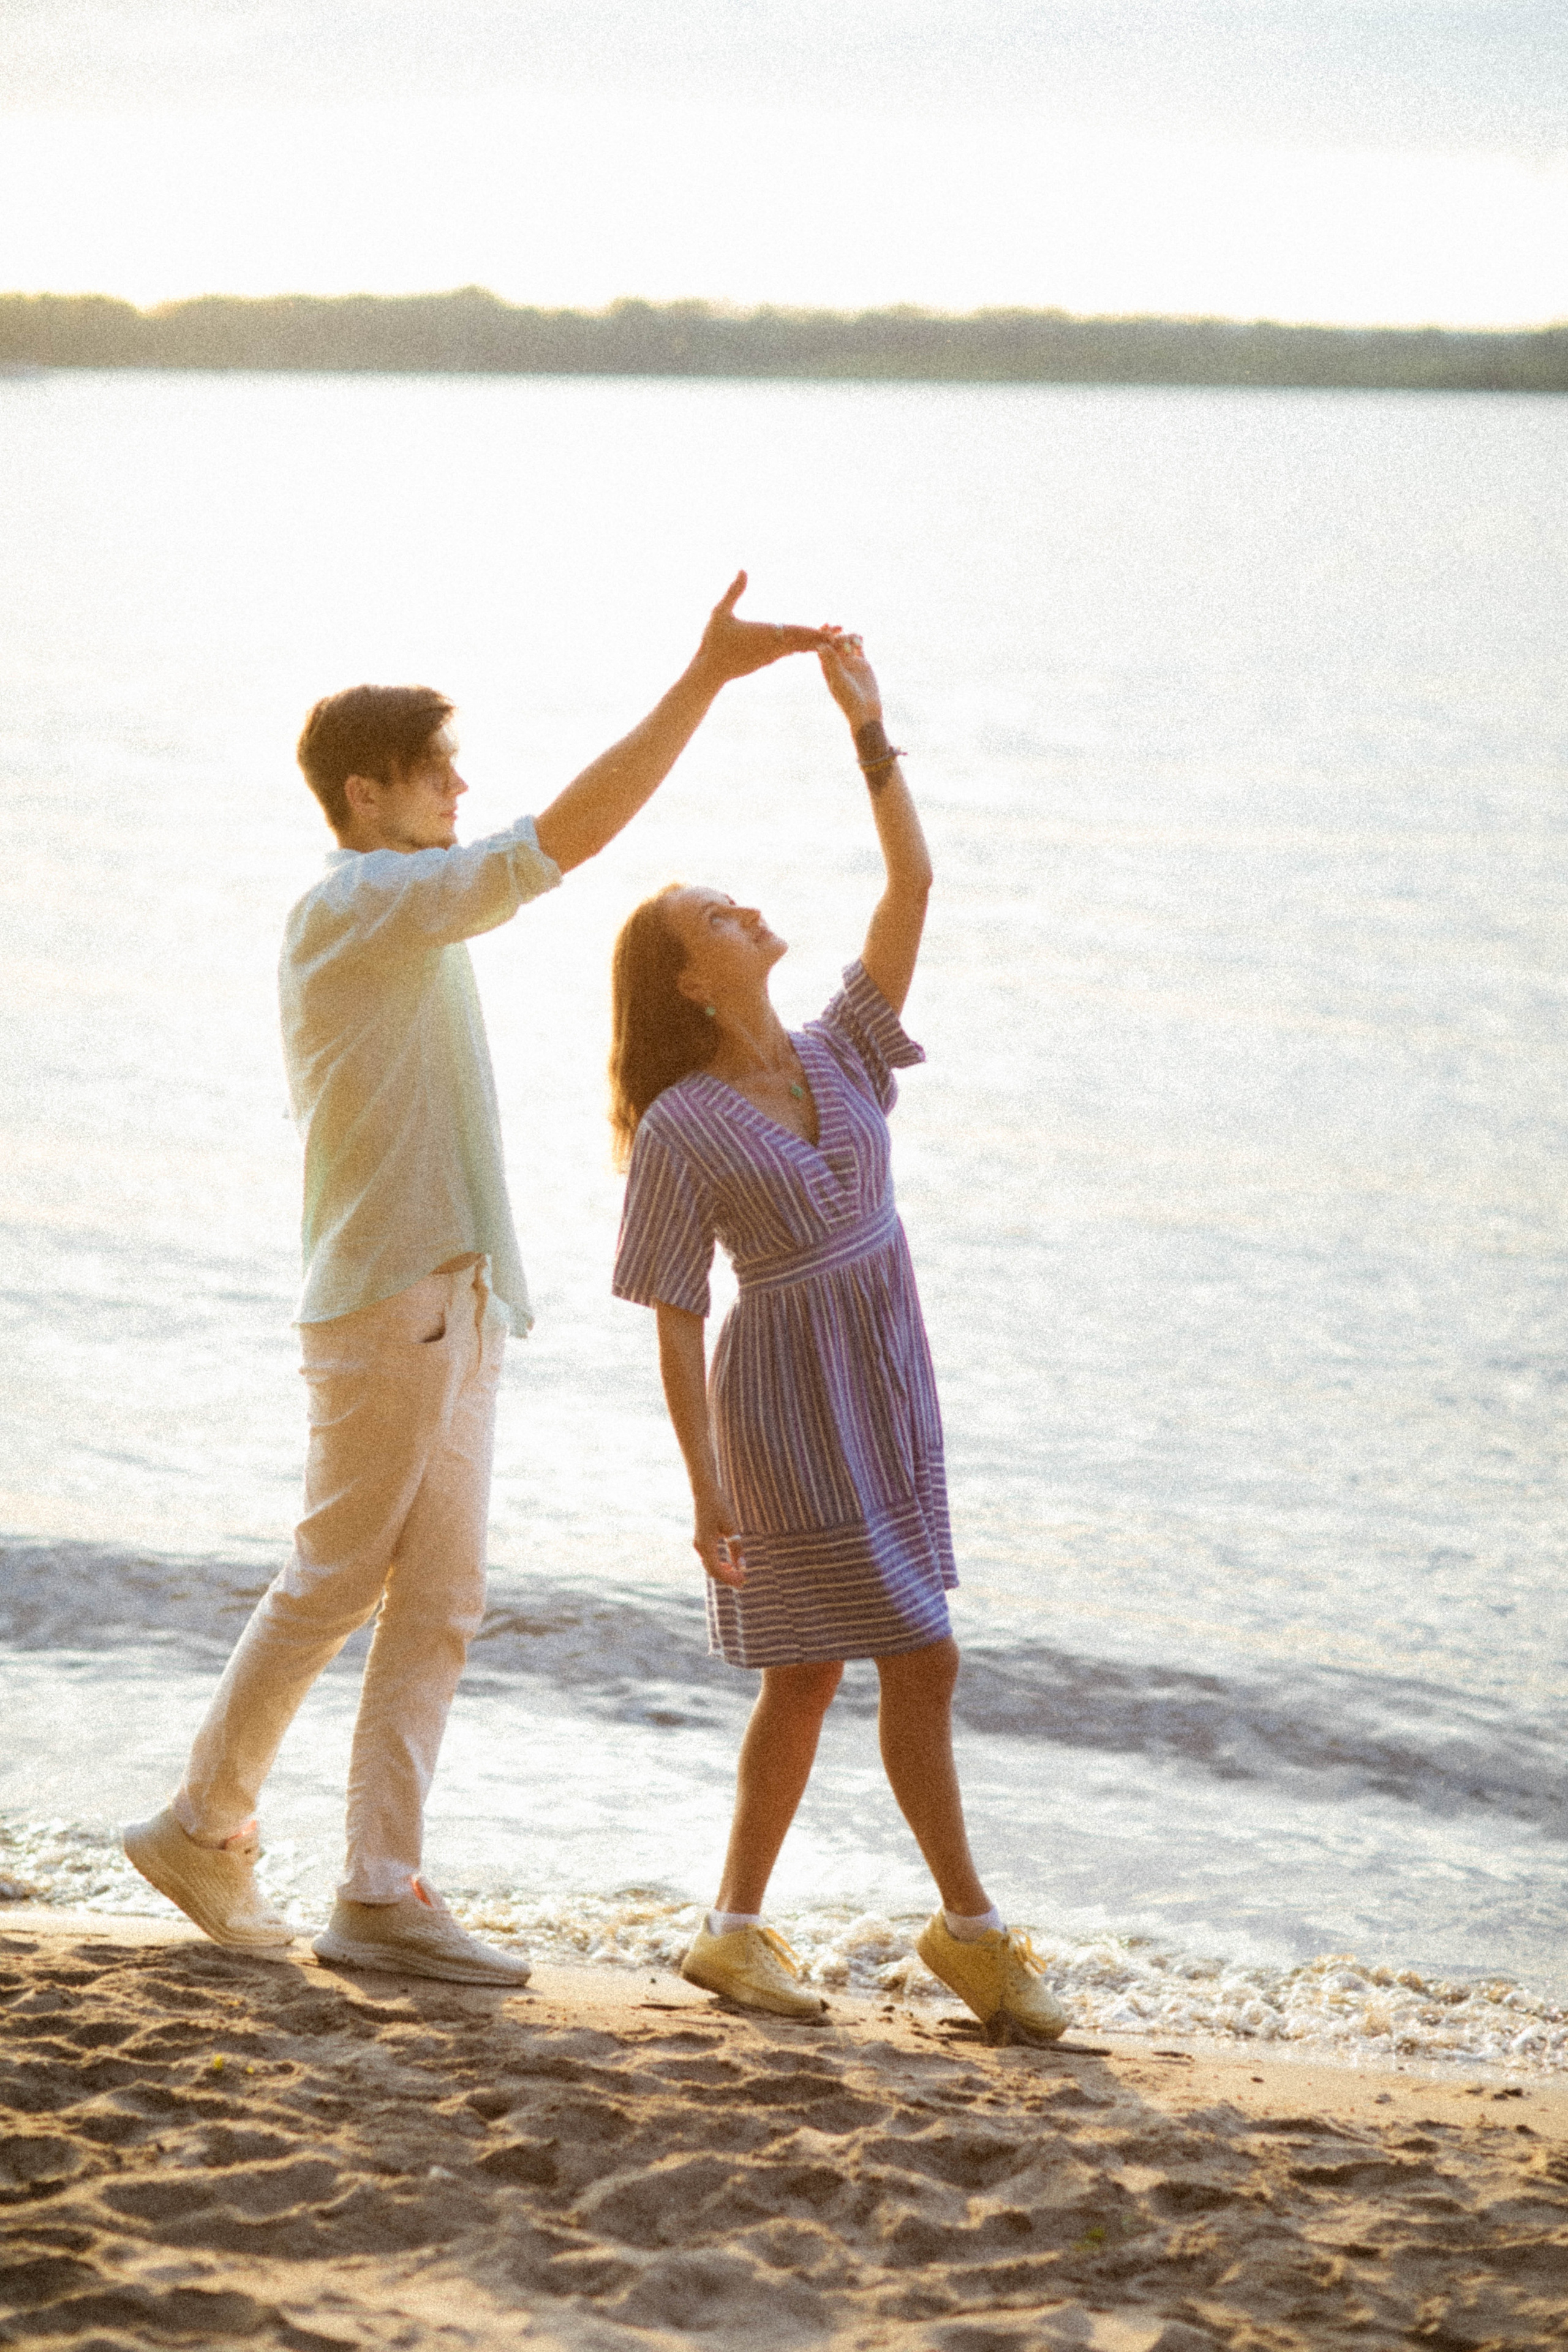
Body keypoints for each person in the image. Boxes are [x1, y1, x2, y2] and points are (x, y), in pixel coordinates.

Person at [123, 573, 829, 1986]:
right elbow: (553, 843)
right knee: (334, 1579)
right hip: (389, 1300)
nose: (460, 783)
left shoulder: (398, 912)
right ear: (366, 792)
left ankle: (379, 1890)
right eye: (436, 769)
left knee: (438, 1603)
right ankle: (204, 1823)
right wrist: (702, 679)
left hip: (451, 1298)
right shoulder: (358, 906)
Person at [608, 630, 1069, 2042]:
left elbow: (911, 882)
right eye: (718, 917)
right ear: (689, 980)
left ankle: (731, 1933)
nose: (749, 914)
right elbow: (677, 1316)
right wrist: (703, 1486)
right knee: (917, 1653)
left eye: (740, 903)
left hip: (884, 1375)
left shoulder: (838, 1048)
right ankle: (972, 1933)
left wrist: (868, 734)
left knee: (810, 1669)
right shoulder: (681, 1128)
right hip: (786, 1401)